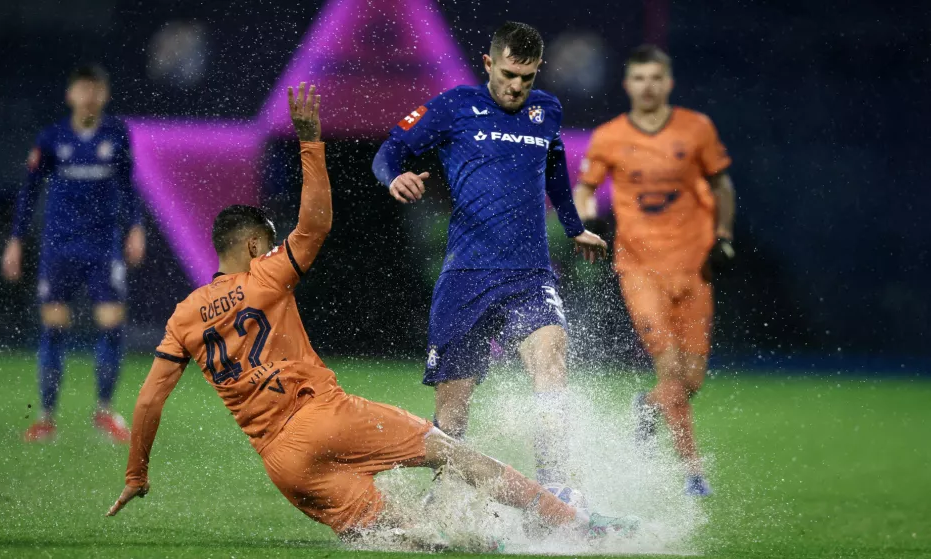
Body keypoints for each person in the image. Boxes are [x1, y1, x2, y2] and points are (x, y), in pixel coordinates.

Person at [105, 84, 637, 545]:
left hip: (281, 465)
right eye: (265, 245)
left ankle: (477, 544)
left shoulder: (184, 317)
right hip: (323, 418)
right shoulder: (266, 277)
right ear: (250, 245)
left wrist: (136, 473)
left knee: (409, 537)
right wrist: (311, 142)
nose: (270, 252)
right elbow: (314, 224)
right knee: (453, 453)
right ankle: (572, 522)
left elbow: (149, 400)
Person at [371, 21, 607, 499]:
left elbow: (555, 165)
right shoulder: (456, 107)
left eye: (527, 77)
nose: (517, 86)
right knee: (453, 411)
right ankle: (445, 496)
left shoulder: (547, 111)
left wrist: (572, 223)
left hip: (529, 274)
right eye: (507, 74)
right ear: (488, 64)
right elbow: (389, 150)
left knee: (551, 363)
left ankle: (557, 488)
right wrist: (393, 178)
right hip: (466, 277)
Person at [573, 45, 737, 496]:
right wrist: (587, 221)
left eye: (656, 78)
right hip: (640, 269)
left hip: (694, 267)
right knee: (669, 368)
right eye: (639, 78)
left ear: (669, 82)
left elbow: (722, 184)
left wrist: (724, 237)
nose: (648, 86)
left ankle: (646, 408)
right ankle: (692, 471)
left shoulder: (696, 128)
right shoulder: (608, 136)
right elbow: (584, 188)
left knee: (691, 380)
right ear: (627, 84)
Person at [3, 64, 145, 443]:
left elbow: (129, 187)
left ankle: (104, 411)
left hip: (103, 246)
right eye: (83, 89)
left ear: (105, 94)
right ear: (70, 95)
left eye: (96, 90)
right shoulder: (51, 138)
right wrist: (16, 240)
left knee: (112, 324)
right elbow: (29, 192)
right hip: (59, 246)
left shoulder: (117, 135)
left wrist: (136, 228)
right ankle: (46, 418)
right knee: (54, 326)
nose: (90, 96)